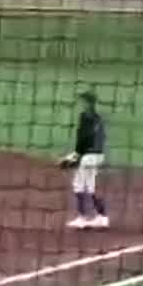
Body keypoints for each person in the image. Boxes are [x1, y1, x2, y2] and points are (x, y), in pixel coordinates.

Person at [60, 90, 110, 230]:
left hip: (88, 157)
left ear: (88, 103)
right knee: (90, 187)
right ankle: (102, 217)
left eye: (83, 101)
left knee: (78, 185)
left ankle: (82, 218)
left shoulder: (84, 117)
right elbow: (99, 139)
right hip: (98, 156)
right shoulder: (98, 118)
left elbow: (83, 140)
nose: (80, 103)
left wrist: (75, 156)